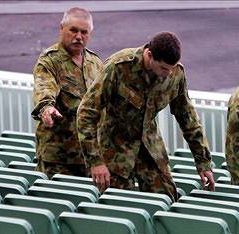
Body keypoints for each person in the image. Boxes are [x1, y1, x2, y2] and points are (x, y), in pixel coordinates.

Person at [77, 31, 214, 201]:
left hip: (150, 148)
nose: (168, 74)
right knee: (120, 205)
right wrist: (95, 162)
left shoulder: (175, 74)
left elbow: (188, 118)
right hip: (115, 148)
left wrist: (203, 162)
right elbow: (86, 112)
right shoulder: (119, 67)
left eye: (171, 69)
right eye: (164, 68)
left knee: (166, 200)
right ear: (149, 54)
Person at [32, 7, 103, 178]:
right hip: (58, 159)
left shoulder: (95, 63)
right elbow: (44, 88)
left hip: (88, 155)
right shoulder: (49, 61)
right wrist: (46, 108)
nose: (78, 37)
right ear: (62, 28)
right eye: (73, 30)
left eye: (84, 32)